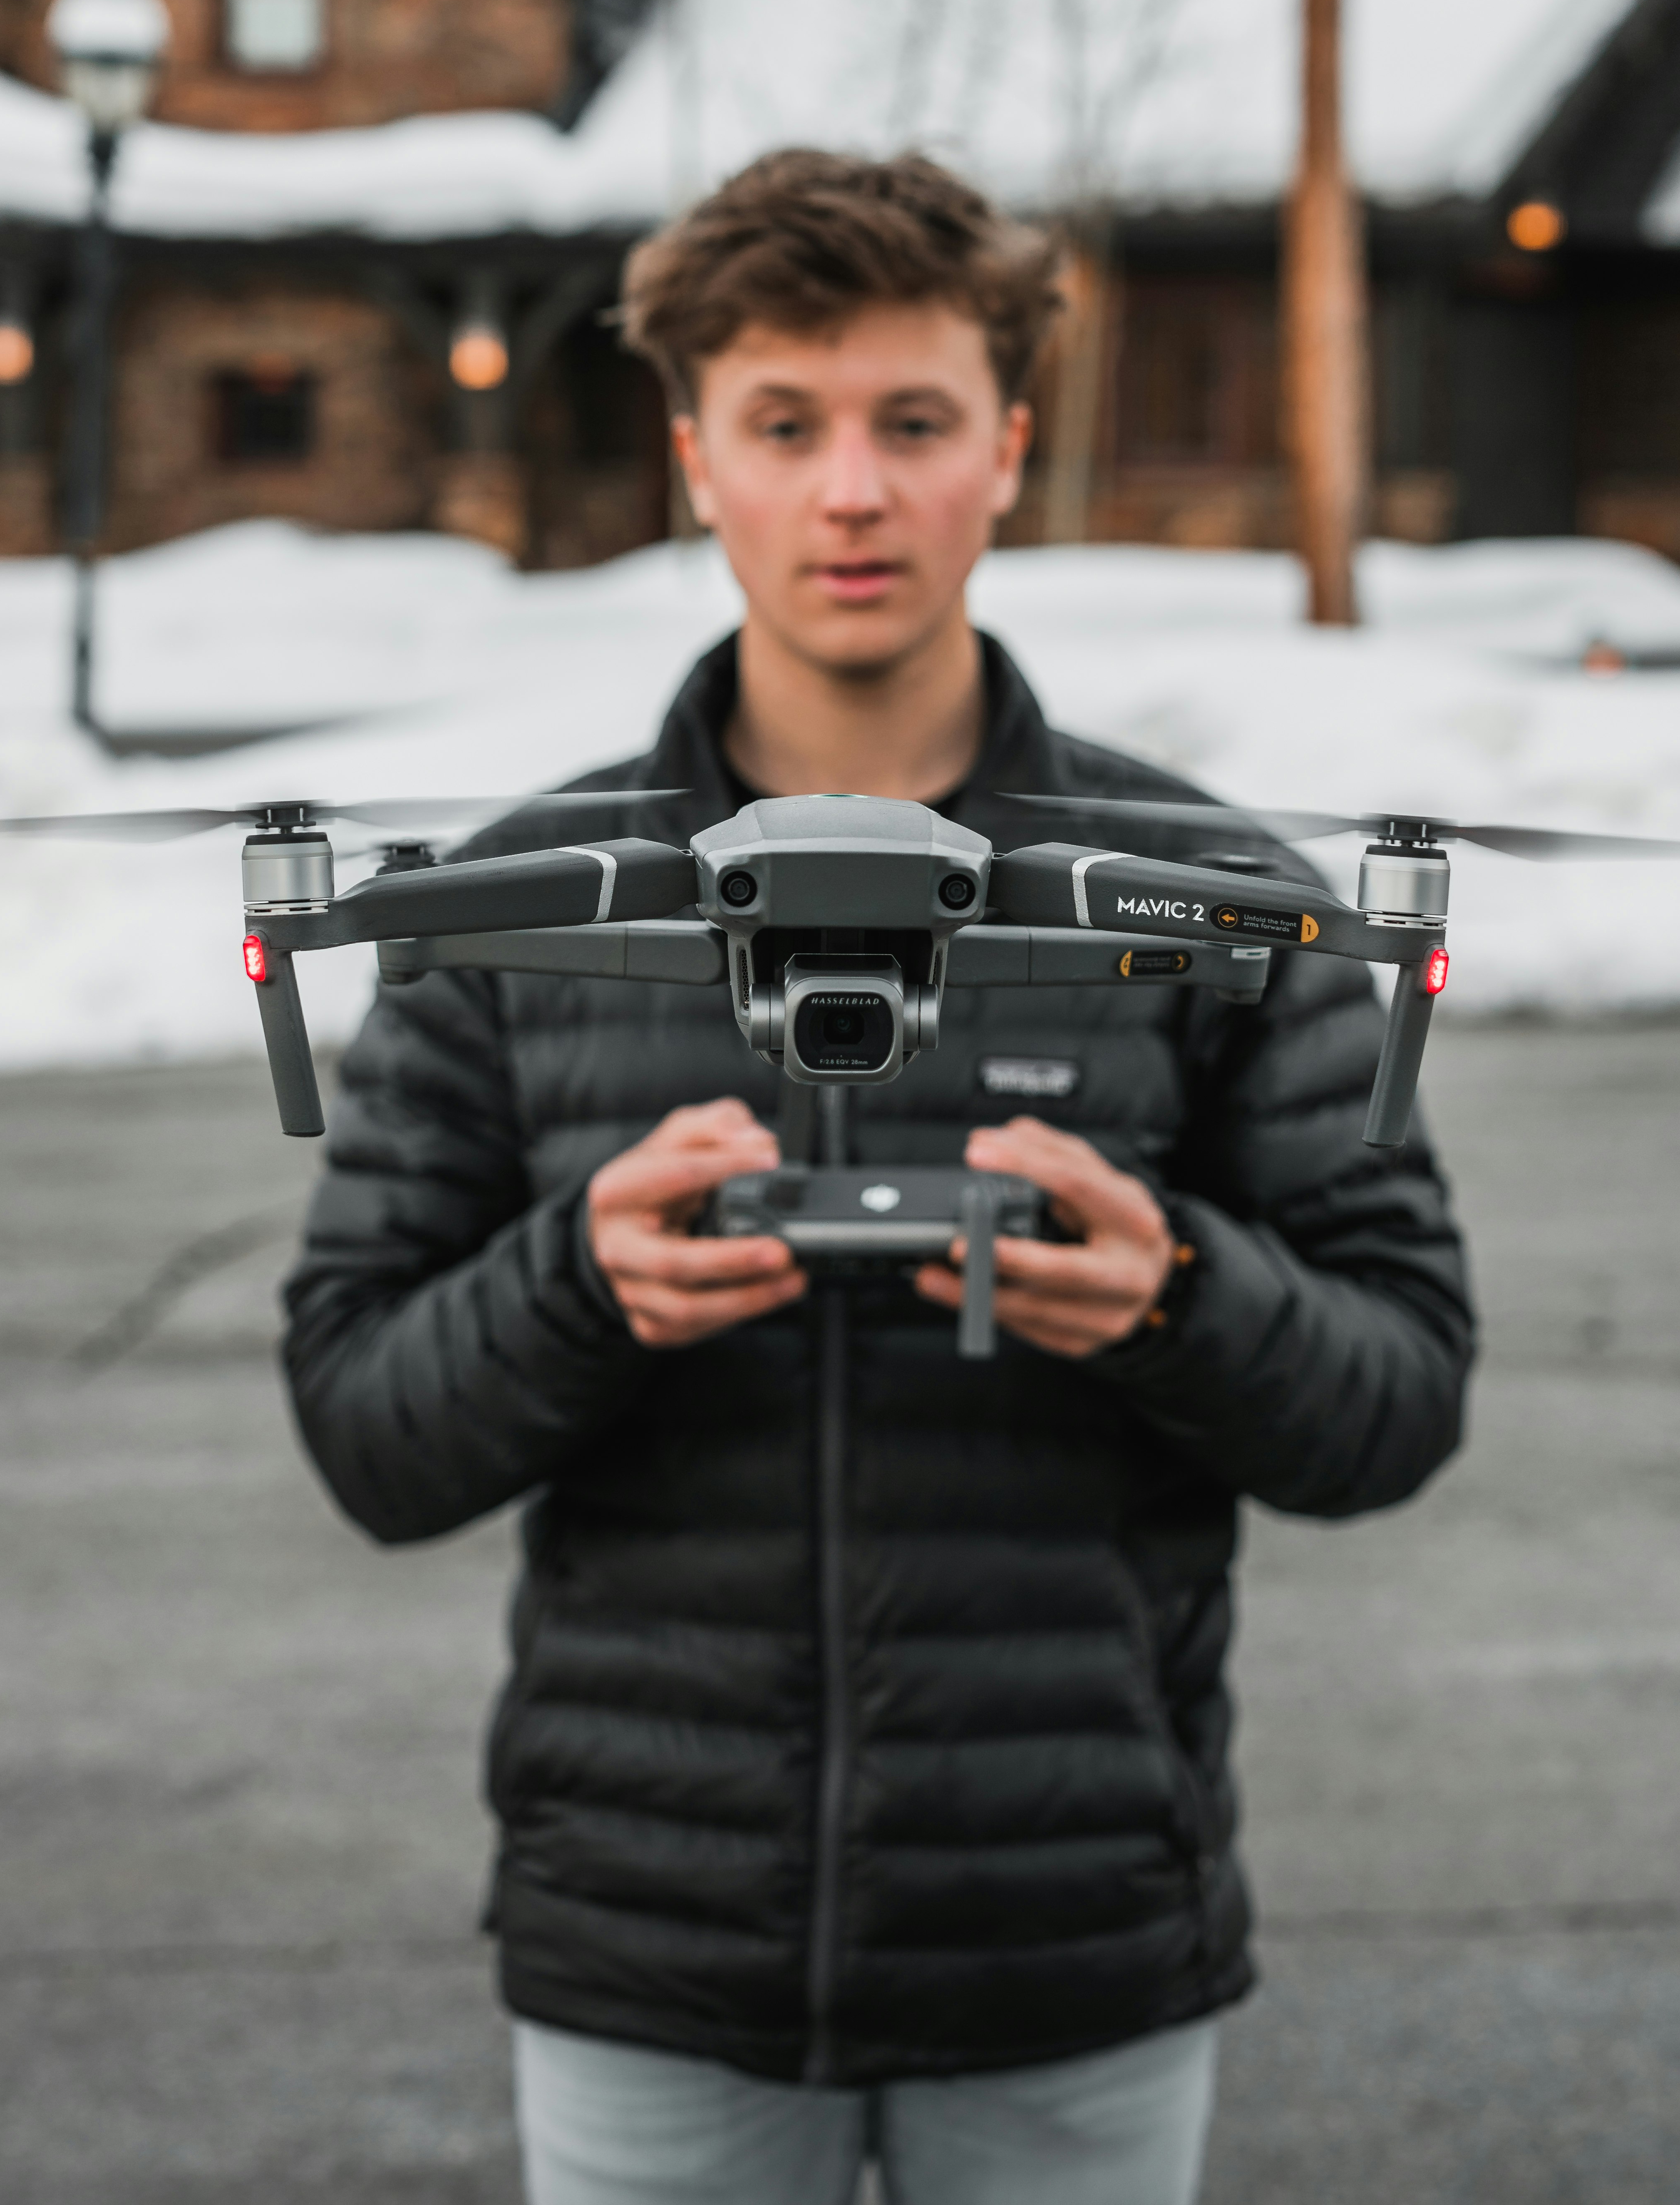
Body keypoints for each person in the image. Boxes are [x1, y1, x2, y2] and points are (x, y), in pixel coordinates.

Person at [280, 149, 1473, 2205]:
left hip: (1073, 1951)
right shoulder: (513, 915)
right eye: (786, 427)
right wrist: (580, 1285)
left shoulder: (1209, 908)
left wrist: (1178, 1295)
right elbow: (365, 1429)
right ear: (694, 463)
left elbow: (1398, 1393)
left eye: (912, 425)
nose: (852, 493)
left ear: (1006, 453)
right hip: (650, 1959)